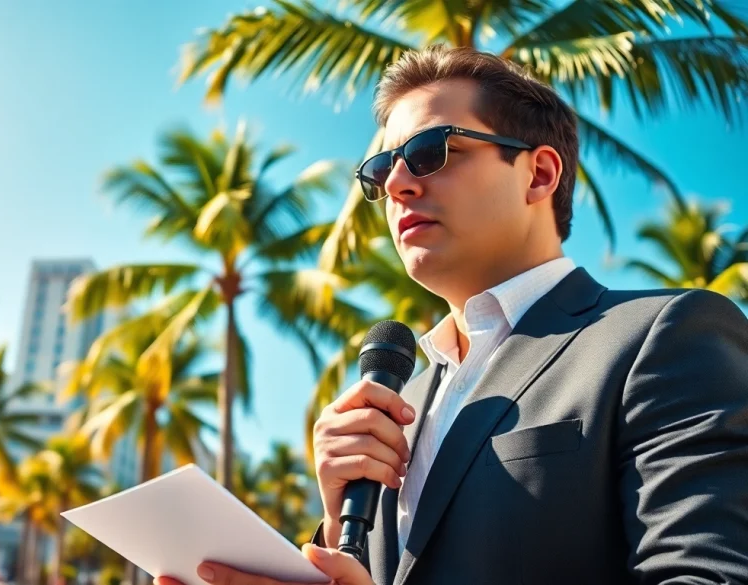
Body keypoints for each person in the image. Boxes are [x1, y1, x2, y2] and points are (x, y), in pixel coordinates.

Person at [155, 45, 748, 585]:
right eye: (381, 171)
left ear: (539, 174)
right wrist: (334, 536)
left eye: (430, 152)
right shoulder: (397, 403)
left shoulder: (665, 335)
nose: (398, 185)